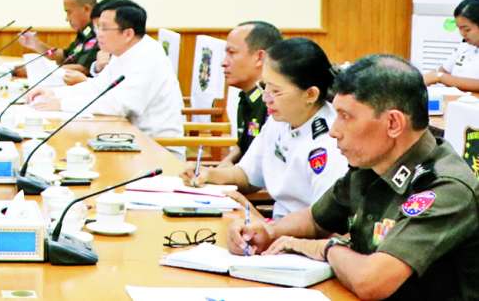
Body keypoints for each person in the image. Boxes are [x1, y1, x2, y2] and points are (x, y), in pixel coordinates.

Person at [230, 55, 479, 300]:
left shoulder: (444, 188)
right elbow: (316, 219)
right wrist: (267, 232)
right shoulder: (372, 164)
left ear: (393, 123)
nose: (334, 131)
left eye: (346, 116)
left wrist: (327, 248)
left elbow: (371, 282)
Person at [183, 38, 347, 219]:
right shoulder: (279, 120)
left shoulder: (332, 140)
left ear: (310, 94)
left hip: (298, 233)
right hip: (274, 227)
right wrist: (209, 174)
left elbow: (324, 224)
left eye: (276, 91)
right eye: (264, 86)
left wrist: (259, 220)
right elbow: (247, 175)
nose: (265, 98)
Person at [28, 0, 185, 139]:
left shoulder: (148, 57)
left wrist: (62, 103)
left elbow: (120, 105)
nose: (98, 35)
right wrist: (54, 93)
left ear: (127, 34)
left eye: (104, 28)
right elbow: (97, 86)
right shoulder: (123, 51)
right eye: (97, 28)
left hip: (157, 146)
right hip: (127, 136)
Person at [217, 21, 283, 165]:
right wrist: (221, 166)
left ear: (260, 57)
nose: (224, 62)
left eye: (232, 53)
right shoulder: (248, 97)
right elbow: (244, 146)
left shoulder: (276, 103)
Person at [16, 0, 100, 85]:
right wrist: (36, 44)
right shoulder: (85, 32)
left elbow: (83, 69)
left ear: (86, 9)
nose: (67, 19)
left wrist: (38, 71)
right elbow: (64, 57)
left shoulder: (99, 32)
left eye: (69, 12)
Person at [423, 0, 479, 93]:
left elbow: (440, 75)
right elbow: (442, 71)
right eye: (459, 29)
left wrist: (441, 77)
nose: (462, 34)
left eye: (467, 29)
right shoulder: (465, 45)